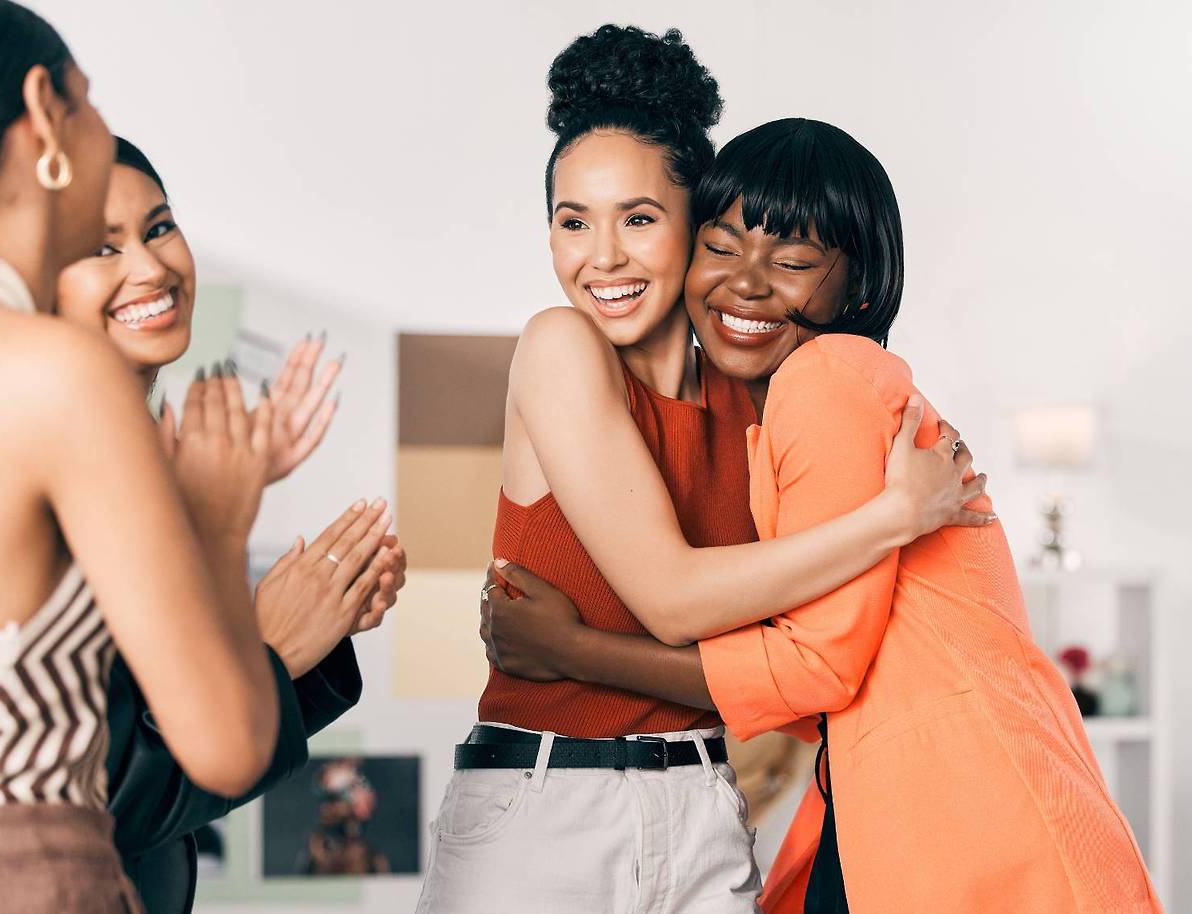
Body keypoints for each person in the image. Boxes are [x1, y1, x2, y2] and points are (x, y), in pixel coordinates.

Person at [481, 118, 1163, 913]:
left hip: (969, 815)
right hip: (924, 805)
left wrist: (571, 650)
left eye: (794, 262)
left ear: (859, 288)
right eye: (722, 247)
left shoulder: (825, 377)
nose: (746, 284)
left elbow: (812, 668)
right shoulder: (773, 405)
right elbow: (818, 681)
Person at [417, 26, 987, 914]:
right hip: (544, 807)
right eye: (573, 221)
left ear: (701, 227)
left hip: (705, 806)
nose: (602, 256)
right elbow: (674, 601)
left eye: (639, 219)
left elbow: (807, 650)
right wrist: (892, 516)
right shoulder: (560, 347)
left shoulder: (760, 394)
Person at [0, 1, 276, 909]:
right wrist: (219, 524)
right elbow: (228, 744)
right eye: (92, 99)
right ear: (47, 112)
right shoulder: (57, 375)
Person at [54, 137, 408, 913]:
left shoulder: (135, 472)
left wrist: (317, 622)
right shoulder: (34, 485)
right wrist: (271, 648)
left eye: (159, 227)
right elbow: (108, 796)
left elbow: (164, 726)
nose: (150, 268)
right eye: (101, 247)